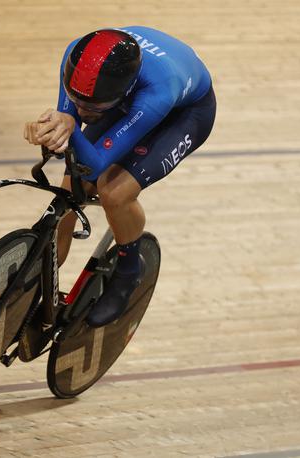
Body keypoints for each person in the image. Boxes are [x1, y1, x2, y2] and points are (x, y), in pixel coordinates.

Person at [24, 26, 216, 327]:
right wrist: (50, 130)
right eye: (76, 100)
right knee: (70, 189)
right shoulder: (76, 58)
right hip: (120, 100)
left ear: (125, 92)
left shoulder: (158, 90)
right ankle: (36, 284)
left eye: (91, 107)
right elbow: (68, 138)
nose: (82, 111)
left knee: (114, 191)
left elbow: (98, 163)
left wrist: (71, 129)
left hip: (185, 115)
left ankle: (128, 274)